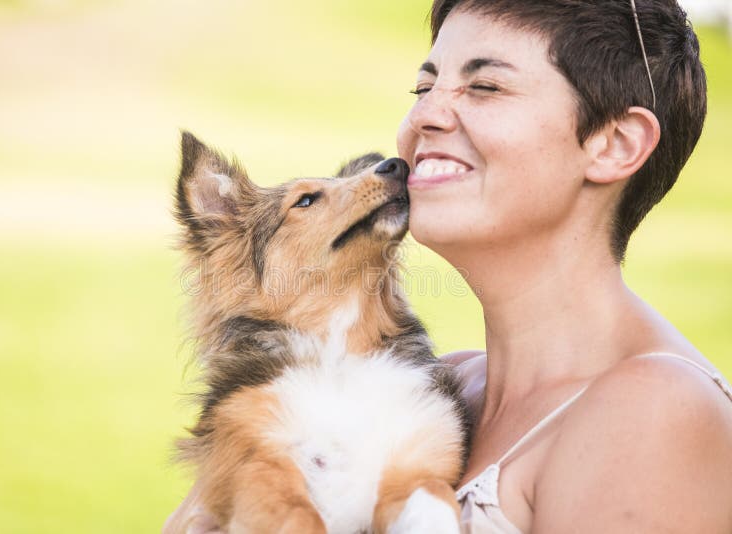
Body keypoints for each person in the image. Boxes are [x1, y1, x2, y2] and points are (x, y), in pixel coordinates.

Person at [164, 1, 732, 532]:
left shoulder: (657, 409)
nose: (424, 115)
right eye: (424, 85)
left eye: (484, 86)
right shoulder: (448, 382)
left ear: (614, 144)